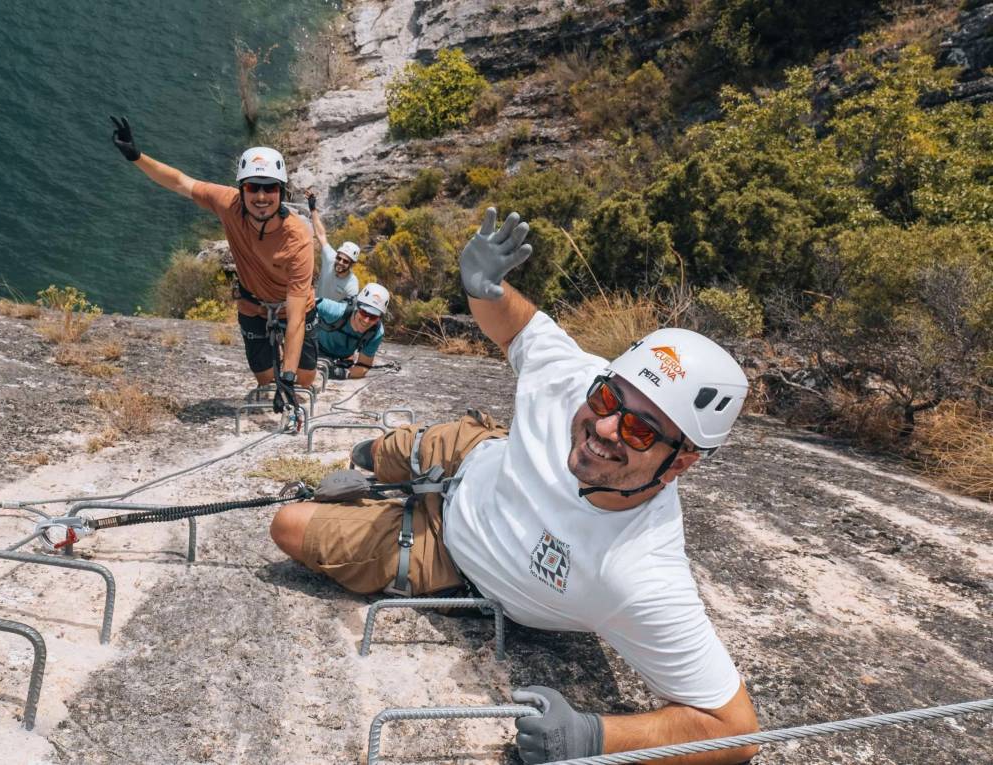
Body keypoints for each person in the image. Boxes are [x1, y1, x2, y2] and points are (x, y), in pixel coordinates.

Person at [269, 208, 760, 764]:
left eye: (640, 429)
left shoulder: (639, 572)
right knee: (372, 455)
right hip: (474, 452)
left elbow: (735, 727)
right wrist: (484, 288)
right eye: (606, 401)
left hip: (446, 551)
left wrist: (597, 738)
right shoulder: (575, 378)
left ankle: (396, 493)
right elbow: (519, 323)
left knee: (289, 526)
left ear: (679, 464)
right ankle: (389, 464)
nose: (602, 428)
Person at [110, 117, 317, 400]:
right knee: (267, 383)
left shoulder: (298, 239)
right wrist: (136, 156)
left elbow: (295, 319)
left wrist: (290, 377)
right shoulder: (228, 204)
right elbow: (181, 182)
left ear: (281, 192)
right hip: (252, 304)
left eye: (269, 188)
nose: (260, 196)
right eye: (252, 187)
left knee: (305, 382)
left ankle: (299, 370)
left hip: (292, 307)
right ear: (241, 189)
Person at [316, 283, 389, 380]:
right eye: (364, 312)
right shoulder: (335, 311)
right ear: (357, 307)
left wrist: (343, 373)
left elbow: (364, 366)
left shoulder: (375, 333)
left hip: (341, 360)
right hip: (315, 349)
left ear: (379, 318)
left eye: (373, 317)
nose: (366, 320)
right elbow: (303, 303)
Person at [306, 190, 360, 301]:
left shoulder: (352, 285)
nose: (340, 262)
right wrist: (312, 208)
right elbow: (321, 234)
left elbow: (349, 308)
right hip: (314, 307)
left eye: (345, 261)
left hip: (331, 318)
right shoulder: (330, 258)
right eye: (339, 258)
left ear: (352, 264)